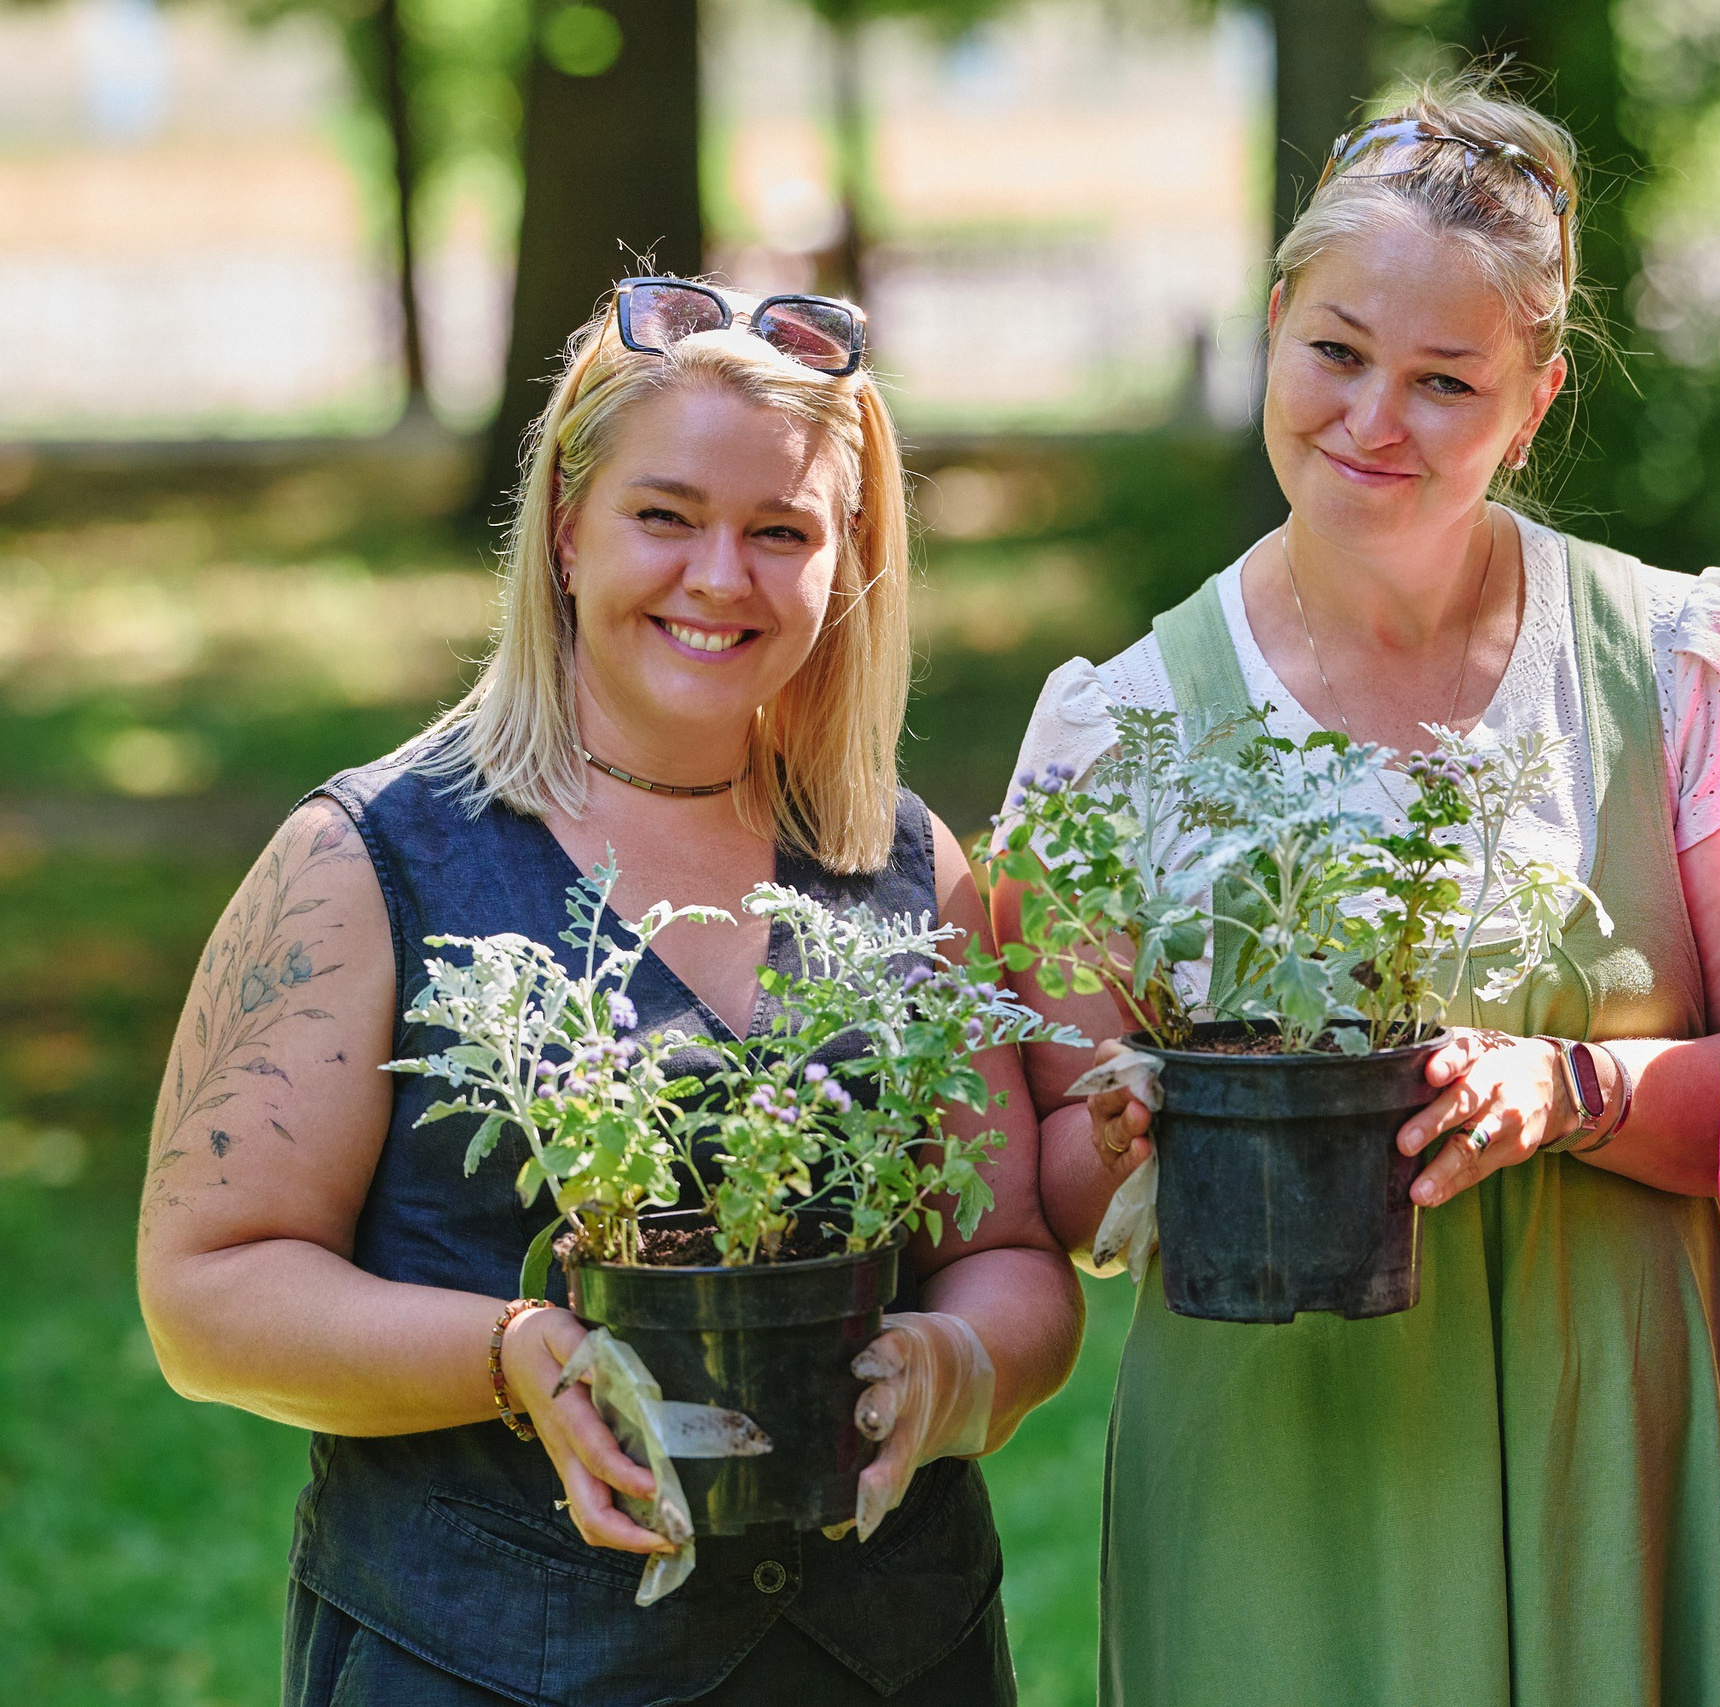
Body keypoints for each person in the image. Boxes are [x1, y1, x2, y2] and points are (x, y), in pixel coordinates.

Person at [135, 277, 1081, 1706]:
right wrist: (514, 1356)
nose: (721, 577)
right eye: (666, 516)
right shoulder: (369, 859)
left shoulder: (902, 864)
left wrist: (957, 1361)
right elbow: (204, 1294)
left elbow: (1009, 1254)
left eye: (782, 532)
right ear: (569, 533)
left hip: (893, 1660)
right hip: (484, 1664)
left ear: (847, 564)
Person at [1003, 79, 1720, 1707]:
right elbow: (1070, 1206)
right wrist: (1140, 1122)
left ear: (1534, 400)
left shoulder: (1675, 663)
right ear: (1273, 329)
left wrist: (1571, 1089)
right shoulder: (1113, 729)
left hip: (1612, 1435)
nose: (1376, 417)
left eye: (1446, 380)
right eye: (1337, 352)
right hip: (1273, 1467)